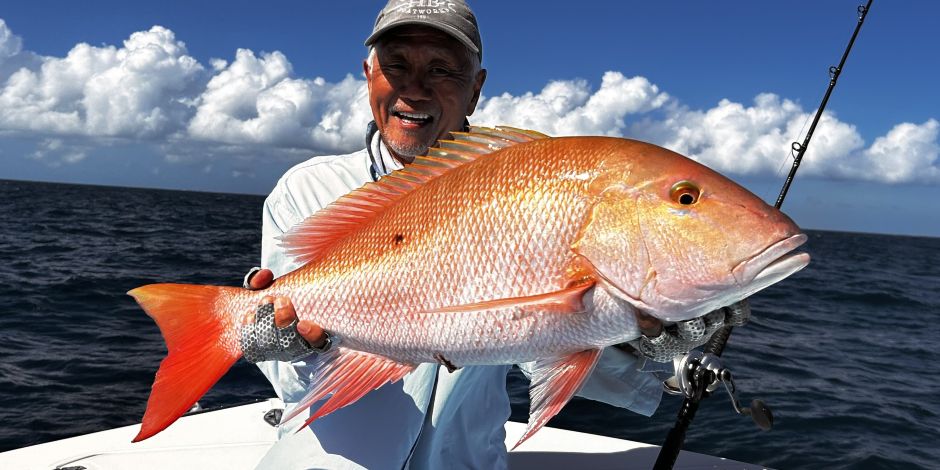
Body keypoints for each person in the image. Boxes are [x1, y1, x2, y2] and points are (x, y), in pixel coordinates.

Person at [242, 1, 735, 468]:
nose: (414, 89)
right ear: (369, 74)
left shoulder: (525, 190)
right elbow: (293, 382)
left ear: (476, 88)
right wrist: (284, 342)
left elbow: (552, 344)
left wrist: (649, 343)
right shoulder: (308, 190)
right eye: (396, 66)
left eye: (441, 69)